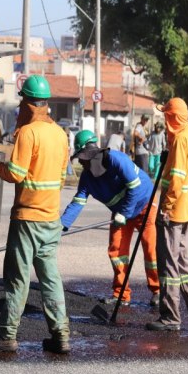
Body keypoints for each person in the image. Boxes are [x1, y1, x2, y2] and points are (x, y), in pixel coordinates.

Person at [0, 75, 71, 354]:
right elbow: (63, 177)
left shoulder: (29, 133)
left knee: (17, 277)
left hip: (27, 219)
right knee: (50, 278)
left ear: (28, 103)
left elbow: (16, 174)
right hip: (51, 218)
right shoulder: (60, 134)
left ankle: (7, 335)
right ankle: (61, 335)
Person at [61, 130, 160, 308]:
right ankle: (121, 294)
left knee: (150, 249)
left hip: (144, 204)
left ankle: (158, 291)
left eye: (83, 158)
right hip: (122, 211)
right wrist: (61, 225)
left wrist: (125, 212)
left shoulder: (117, 160)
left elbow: (136, 189)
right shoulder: (87, 178)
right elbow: (78, 202)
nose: (82, 162)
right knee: (116, 251)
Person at [146, 97, 188, 332]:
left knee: (169, 265)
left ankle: (170, 317)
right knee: (183, 262)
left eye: (166, 115)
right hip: (186, 210)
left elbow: (176, 179)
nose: (164, 119)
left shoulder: (182, 140)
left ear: (172, 117)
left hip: (172, 213)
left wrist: (166, 207)